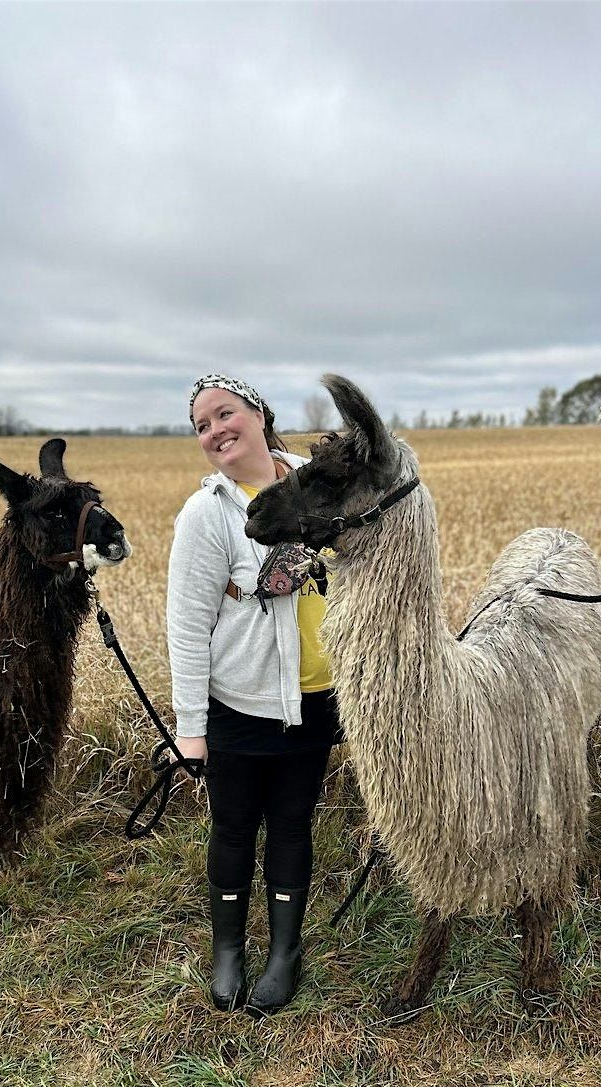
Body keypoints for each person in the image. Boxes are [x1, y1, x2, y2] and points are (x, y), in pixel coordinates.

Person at [167, 373, 342, 1015]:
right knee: (235, 828)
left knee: (294, 825)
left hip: (318, 699)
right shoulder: (206, 514)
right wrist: (191, 727)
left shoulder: (321, 484)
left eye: (224, 413)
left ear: (258, 415)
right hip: (237, 705)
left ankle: (284, 953)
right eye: (202, 425)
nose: (215, 431)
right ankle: (229, 948)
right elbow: (186, 626)